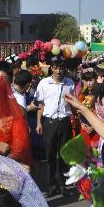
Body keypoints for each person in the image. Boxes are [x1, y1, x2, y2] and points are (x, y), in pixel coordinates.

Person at [35, 58, 75, 197]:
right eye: (56, 68)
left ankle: (63, 184)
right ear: (51, 68)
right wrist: (39, 123)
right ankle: (51, 185)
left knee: (64, 155)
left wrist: (76, 120)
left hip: (64, 122)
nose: (58, 71)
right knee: (50, 156)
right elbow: (40, 105)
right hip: (49, 123)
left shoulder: (69, 83)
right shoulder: (44, 83)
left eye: (61, 68)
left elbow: (73, 104)